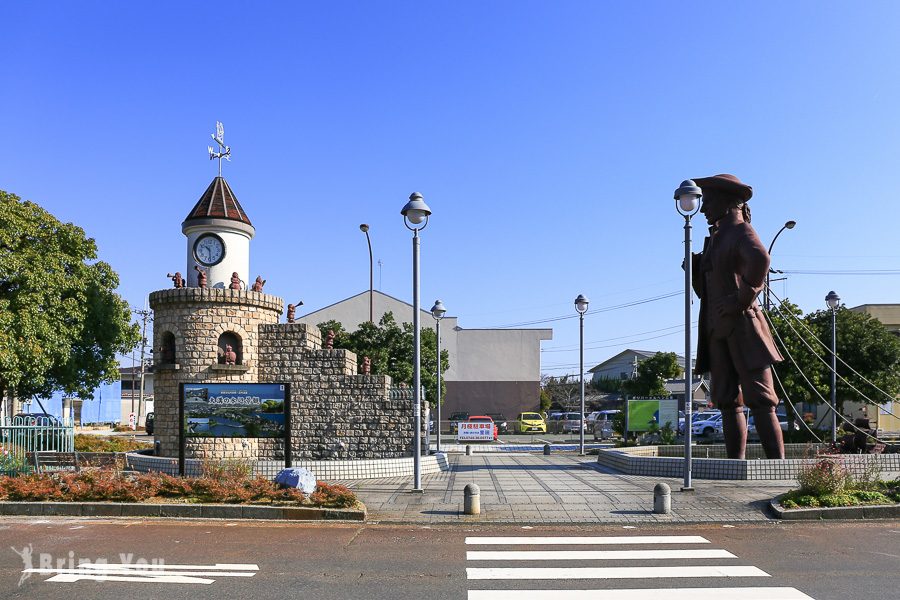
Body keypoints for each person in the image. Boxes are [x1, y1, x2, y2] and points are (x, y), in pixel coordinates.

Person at [691, 174, 785, 459]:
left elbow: (761, 259)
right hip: (716, 328)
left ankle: (777, 466)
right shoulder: (717, 238)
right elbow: (706, 291)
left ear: (727, 202)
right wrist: (694, 269)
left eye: (707, 202)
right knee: (727, 399)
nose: (703, 209)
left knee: (761, 398)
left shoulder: (741, 231)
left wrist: (739, 299)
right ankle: (735, 464)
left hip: (742, 326)